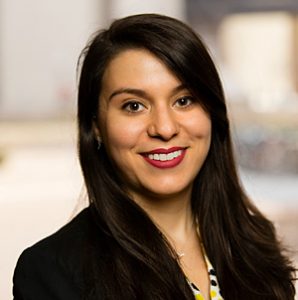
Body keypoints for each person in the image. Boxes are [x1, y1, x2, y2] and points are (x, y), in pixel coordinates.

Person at [13, 13, 296, 300]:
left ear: (212, 112)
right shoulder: (51, 273)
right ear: (96, 125)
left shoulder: (255, 242)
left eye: (184, 101)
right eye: (134, 106)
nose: (164, 128)